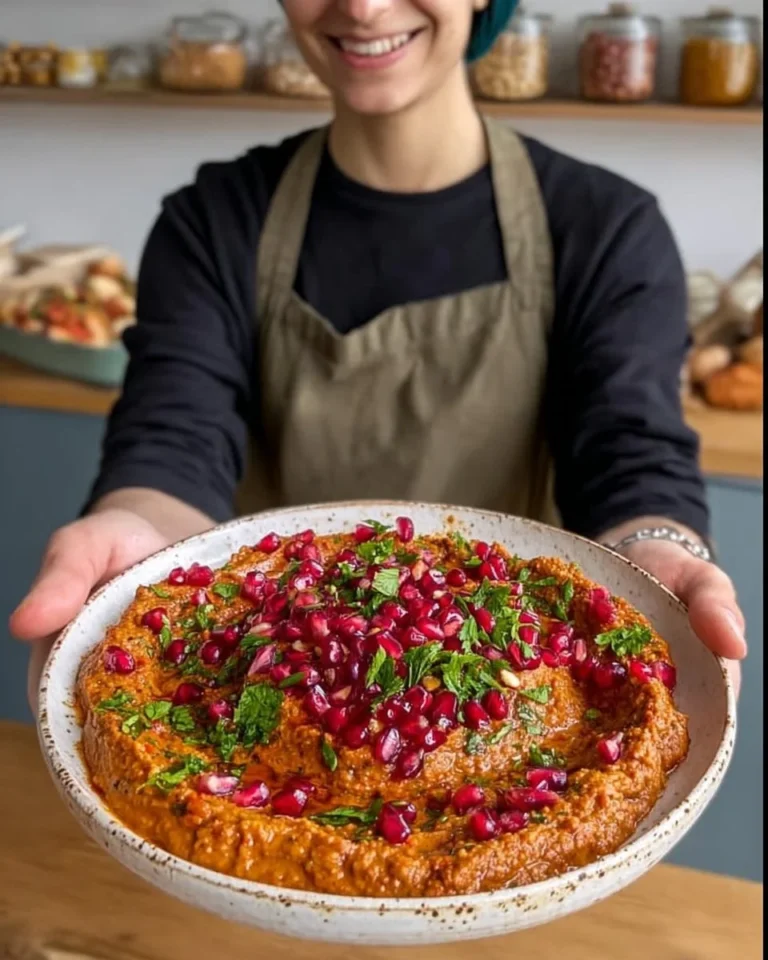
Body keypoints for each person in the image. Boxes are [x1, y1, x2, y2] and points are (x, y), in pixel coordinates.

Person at [11, 0, 746, 705]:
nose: (362, 7)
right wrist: (139, 548)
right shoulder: (212, 220)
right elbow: (174, 440)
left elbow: (630, 453)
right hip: (261, 682)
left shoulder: (607, 227)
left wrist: (658, 548)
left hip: (516, 692)